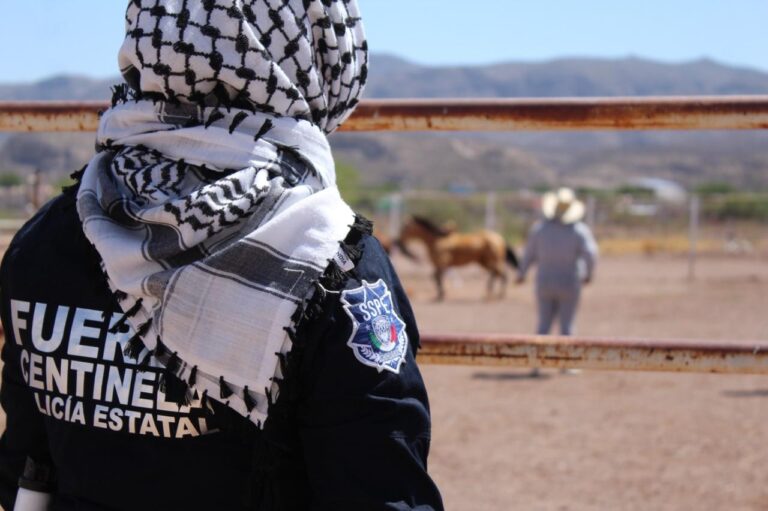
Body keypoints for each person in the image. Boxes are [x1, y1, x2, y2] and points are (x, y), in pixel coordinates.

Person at [0, 2, 443, 510]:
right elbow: (382, 489)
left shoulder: (48, 238)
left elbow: (25, 467)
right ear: (321, 57)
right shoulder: (327, 260)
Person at [517, 188, 599, 339]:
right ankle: (567, 361)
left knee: (543, 326)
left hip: (544, 282)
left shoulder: (539, 229)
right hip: (569, 282)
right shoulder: (579, 231)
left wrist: (521, 273)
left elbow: (528, 255)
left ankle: (538, 362)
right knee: (567, 327)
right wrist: (588, 274)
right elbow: (591, 254)